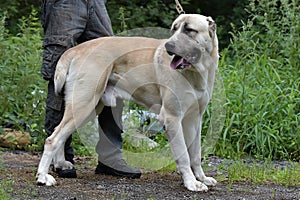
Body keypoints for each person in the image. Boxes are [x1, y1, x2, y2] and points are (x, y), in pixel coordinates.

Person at [41, 0, 141, 179]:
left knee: (114, 68)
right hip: (63, 4)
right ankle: (59, 154)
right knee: (61, 70)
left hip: (97, 3)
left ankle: (110, 157)